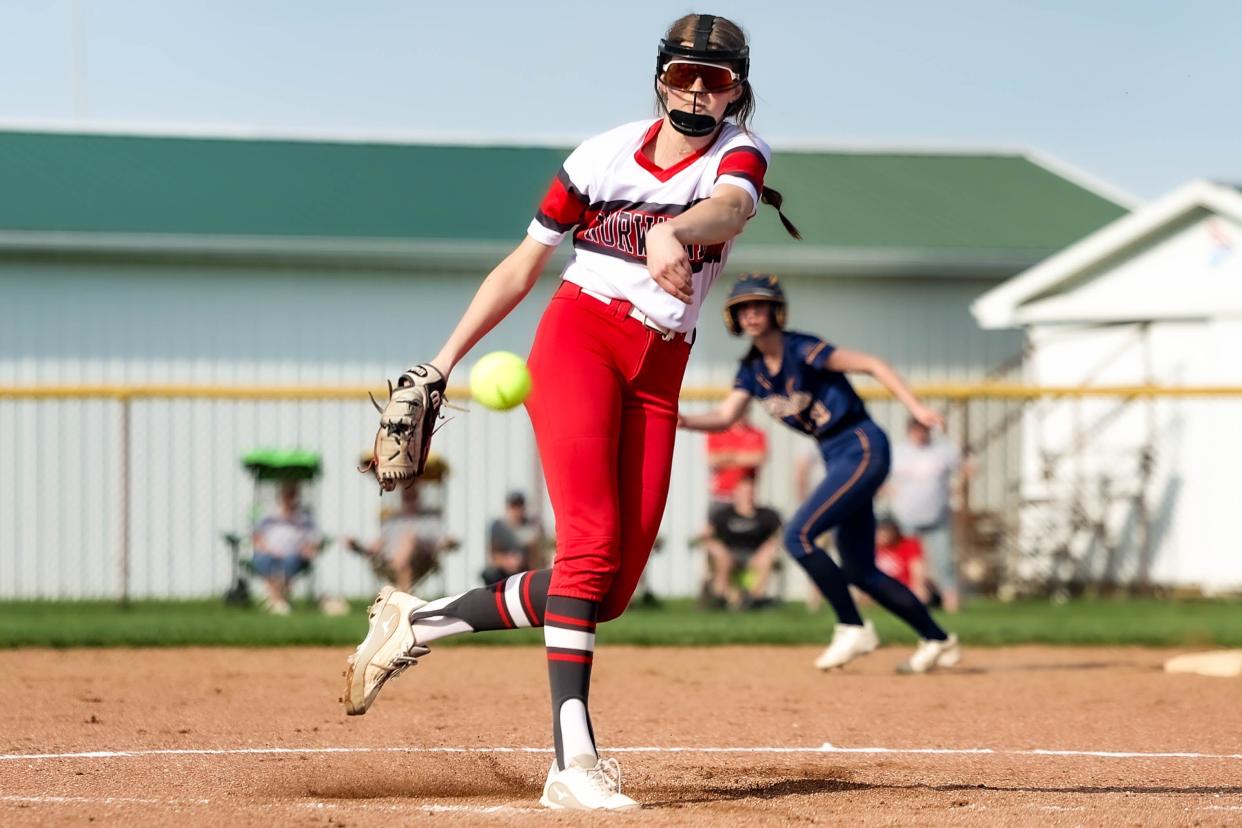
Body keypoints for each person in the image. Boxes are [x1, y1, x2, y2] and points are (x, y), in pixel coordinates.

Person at [342, 13, 799, 811]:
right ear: (660, 76)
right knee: (588, 551)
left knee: (609, 590)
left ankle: (420, 623)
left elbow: (728, 211)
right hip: (579, 340)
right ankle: (572, 764)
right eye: (684, 73)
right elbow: (524, 267)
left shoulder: (739, 156)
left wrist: (673, 231)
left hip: (659, 369)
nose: (697, 89)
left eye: (715, 78)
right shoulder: (598, 156)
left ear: (738, 90)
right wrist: (442, 362)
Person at [678, 273, 961, 674]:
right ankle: (937, 639)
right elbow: (726, 415)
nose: (752, 313)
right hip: (835, 455)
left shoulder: (802, 349)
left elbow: (873, 364)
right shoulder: (752, 370)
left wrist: (916, 408)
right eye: (743, 308)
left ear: (776, 310)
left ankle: (852, 626)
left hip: (861, 445)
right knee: (860, 570)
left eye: (759, 305)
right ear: (734, 317)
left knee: (799, 536)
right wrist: (684, 419)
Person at [889, 417, 967, 613]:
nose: (920, 433)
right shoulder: (898, 452)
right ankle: (914, 603)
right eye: (917, 429)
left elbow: (967, 467)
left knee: (943, 561)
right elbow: (879, 475)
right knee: (913, 566)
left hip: (937, 515)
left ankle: (952, 604)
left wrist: (958, 489)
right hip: (906, 518)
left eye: (924, 429)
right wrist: (888, 490)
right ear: (909, 430)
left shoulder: (943, 450)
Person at [344, 482, 458, 593]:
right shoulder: (392, 521)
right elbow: (376, 546)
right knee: (402, 546)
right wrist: (356, 545)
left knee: (409, 538)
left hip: (421, 560)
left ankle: (399, 583)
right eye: (406, 496)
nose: (408, 499)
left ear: (418, 496)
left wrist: (450, 542)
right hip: (388, 560)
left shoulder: (429, 519)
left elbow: (442, 542)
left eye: (412, 496)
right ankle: (401, 585)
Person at [701, 471, 782, 609]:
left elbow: (779, 535)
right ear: (736, 493)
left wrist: (769, 546)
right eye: (744, 491)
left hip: (754, 556)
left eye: (750, 491)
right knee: (721, 557)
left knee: (768, 553)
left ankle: (754, 598)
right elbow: (705, 536)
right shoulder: (723, 515)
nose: (748, 495)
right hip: (730, 555)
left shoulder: (767, 515)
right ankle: (724, 597)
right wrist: (715, 546)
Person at [250, 480, 320, 615]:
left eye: (292, 494)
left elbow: (313, 538)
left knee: (290, 561)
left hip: (294, 553)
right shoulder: (269, 515)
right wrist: (268, 549)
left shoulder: (304, 516)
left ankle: (275, 600)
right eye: (287, 494)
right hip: (269, 552)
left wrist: (307, 548)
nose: (289, 497)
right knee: (263, 559)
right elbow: (257, 537)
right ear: (281, 496)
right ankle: (278, 600)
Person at [482, 491, 547, 586]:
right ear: (508, 507)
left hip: (526, 570)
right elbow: (493, 556)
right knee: (489, 574)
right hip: (504, 572)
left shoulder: (533, 526)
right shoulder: (498, 527)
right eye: (514, 506)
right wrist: (508, 561)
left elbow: (539, 556)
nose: (517, 510)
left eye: (519, 506)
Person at [706, 411, 767, 505]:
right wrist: (744, 456)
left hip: (746, 495)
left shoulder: (756, 433)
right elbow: (713, 459)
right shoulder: (717, 432)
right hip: (722, 493)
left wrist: (728, 456)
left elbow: (759, 458)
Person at [875, 516, 928, 601]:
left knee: (920, 592)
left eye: (887, 531)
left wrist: (918, 585)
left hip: (904, 588)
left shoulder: (908, 544)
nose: (884, 535)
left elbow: (917, 569)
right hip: (879, 589)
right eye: (881, 531)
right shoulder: (871, 547)